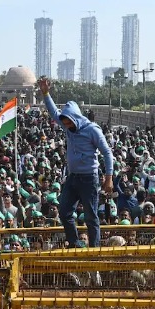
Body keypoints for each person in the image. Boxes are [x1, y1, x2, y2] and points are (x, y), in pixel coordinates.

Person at [37, 77, 114, 248]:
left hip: (89, 178)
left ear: (76, 118)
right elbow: (53, 112)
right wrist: (45, 93)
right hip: (72, 178)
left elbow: (107, 153)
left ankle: (94, 249)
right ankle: (75, 243)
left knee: (90, 216)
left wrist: (109, 178)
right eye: (64, 122)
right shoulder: (66, 125)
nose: (66, 126)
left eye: (69, 122)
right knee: (64, 213)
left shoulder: (92, 130)